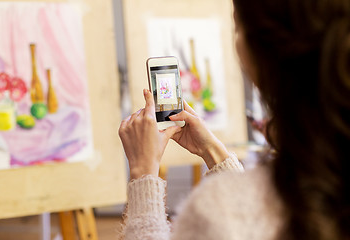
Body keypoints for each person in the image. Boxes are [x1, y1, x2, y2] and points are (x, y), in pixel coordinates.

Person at [118, 0, 350, 239]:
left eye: (237, 26)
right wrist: (213, 152)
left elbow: (243, 216)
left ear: (255, 52)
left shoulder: (217, 209)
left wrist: (143, 172)